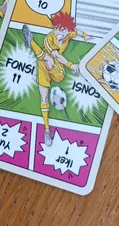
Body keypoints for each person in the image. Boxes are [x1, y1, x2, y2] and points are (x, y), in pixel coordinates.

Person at [23, 12, 89, 147]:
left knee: (55, 70)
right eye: (56, 28)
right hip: (45, 65)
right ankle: (47, 130)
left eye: (62, 29)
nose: (58, 32)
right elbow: (56, 55)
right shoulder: (49, 39)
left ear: (67, 30)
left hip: (54, 67)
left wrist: (85, 35)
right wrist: (71, 65)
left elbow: (76, 31)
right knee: (44, 98)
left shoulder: (69, 33)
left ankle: (31, 43)